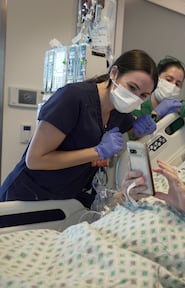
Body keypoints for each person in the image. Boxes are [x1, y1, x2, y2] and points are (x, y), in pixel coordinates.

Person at [0, 103, 185, 288]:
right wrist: (128, 193)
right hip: (89, 243)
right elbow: (117, 207)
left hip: (141, 265)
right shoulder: (179, 172)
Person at [0, 49, 158, 208]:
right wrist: (98, 152)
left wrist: (143, 127)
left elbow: (131, 130)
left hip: (67, 199)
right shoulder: (72, 98)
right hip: (28, 195)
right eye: (132, 87)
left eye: (143, 95)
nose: (135, 98)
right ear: (114, 73)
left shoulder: (119, 110)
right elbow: (35, 160)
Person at [130, 56, 185, 138]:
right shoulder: (139, 110)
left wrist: (183, 107)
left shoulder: (180, 110)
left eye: (178, 84)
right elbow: (135, 135)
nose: (173, 86)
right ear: (156, 78)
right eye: (169, 79)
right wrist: (156, 114)